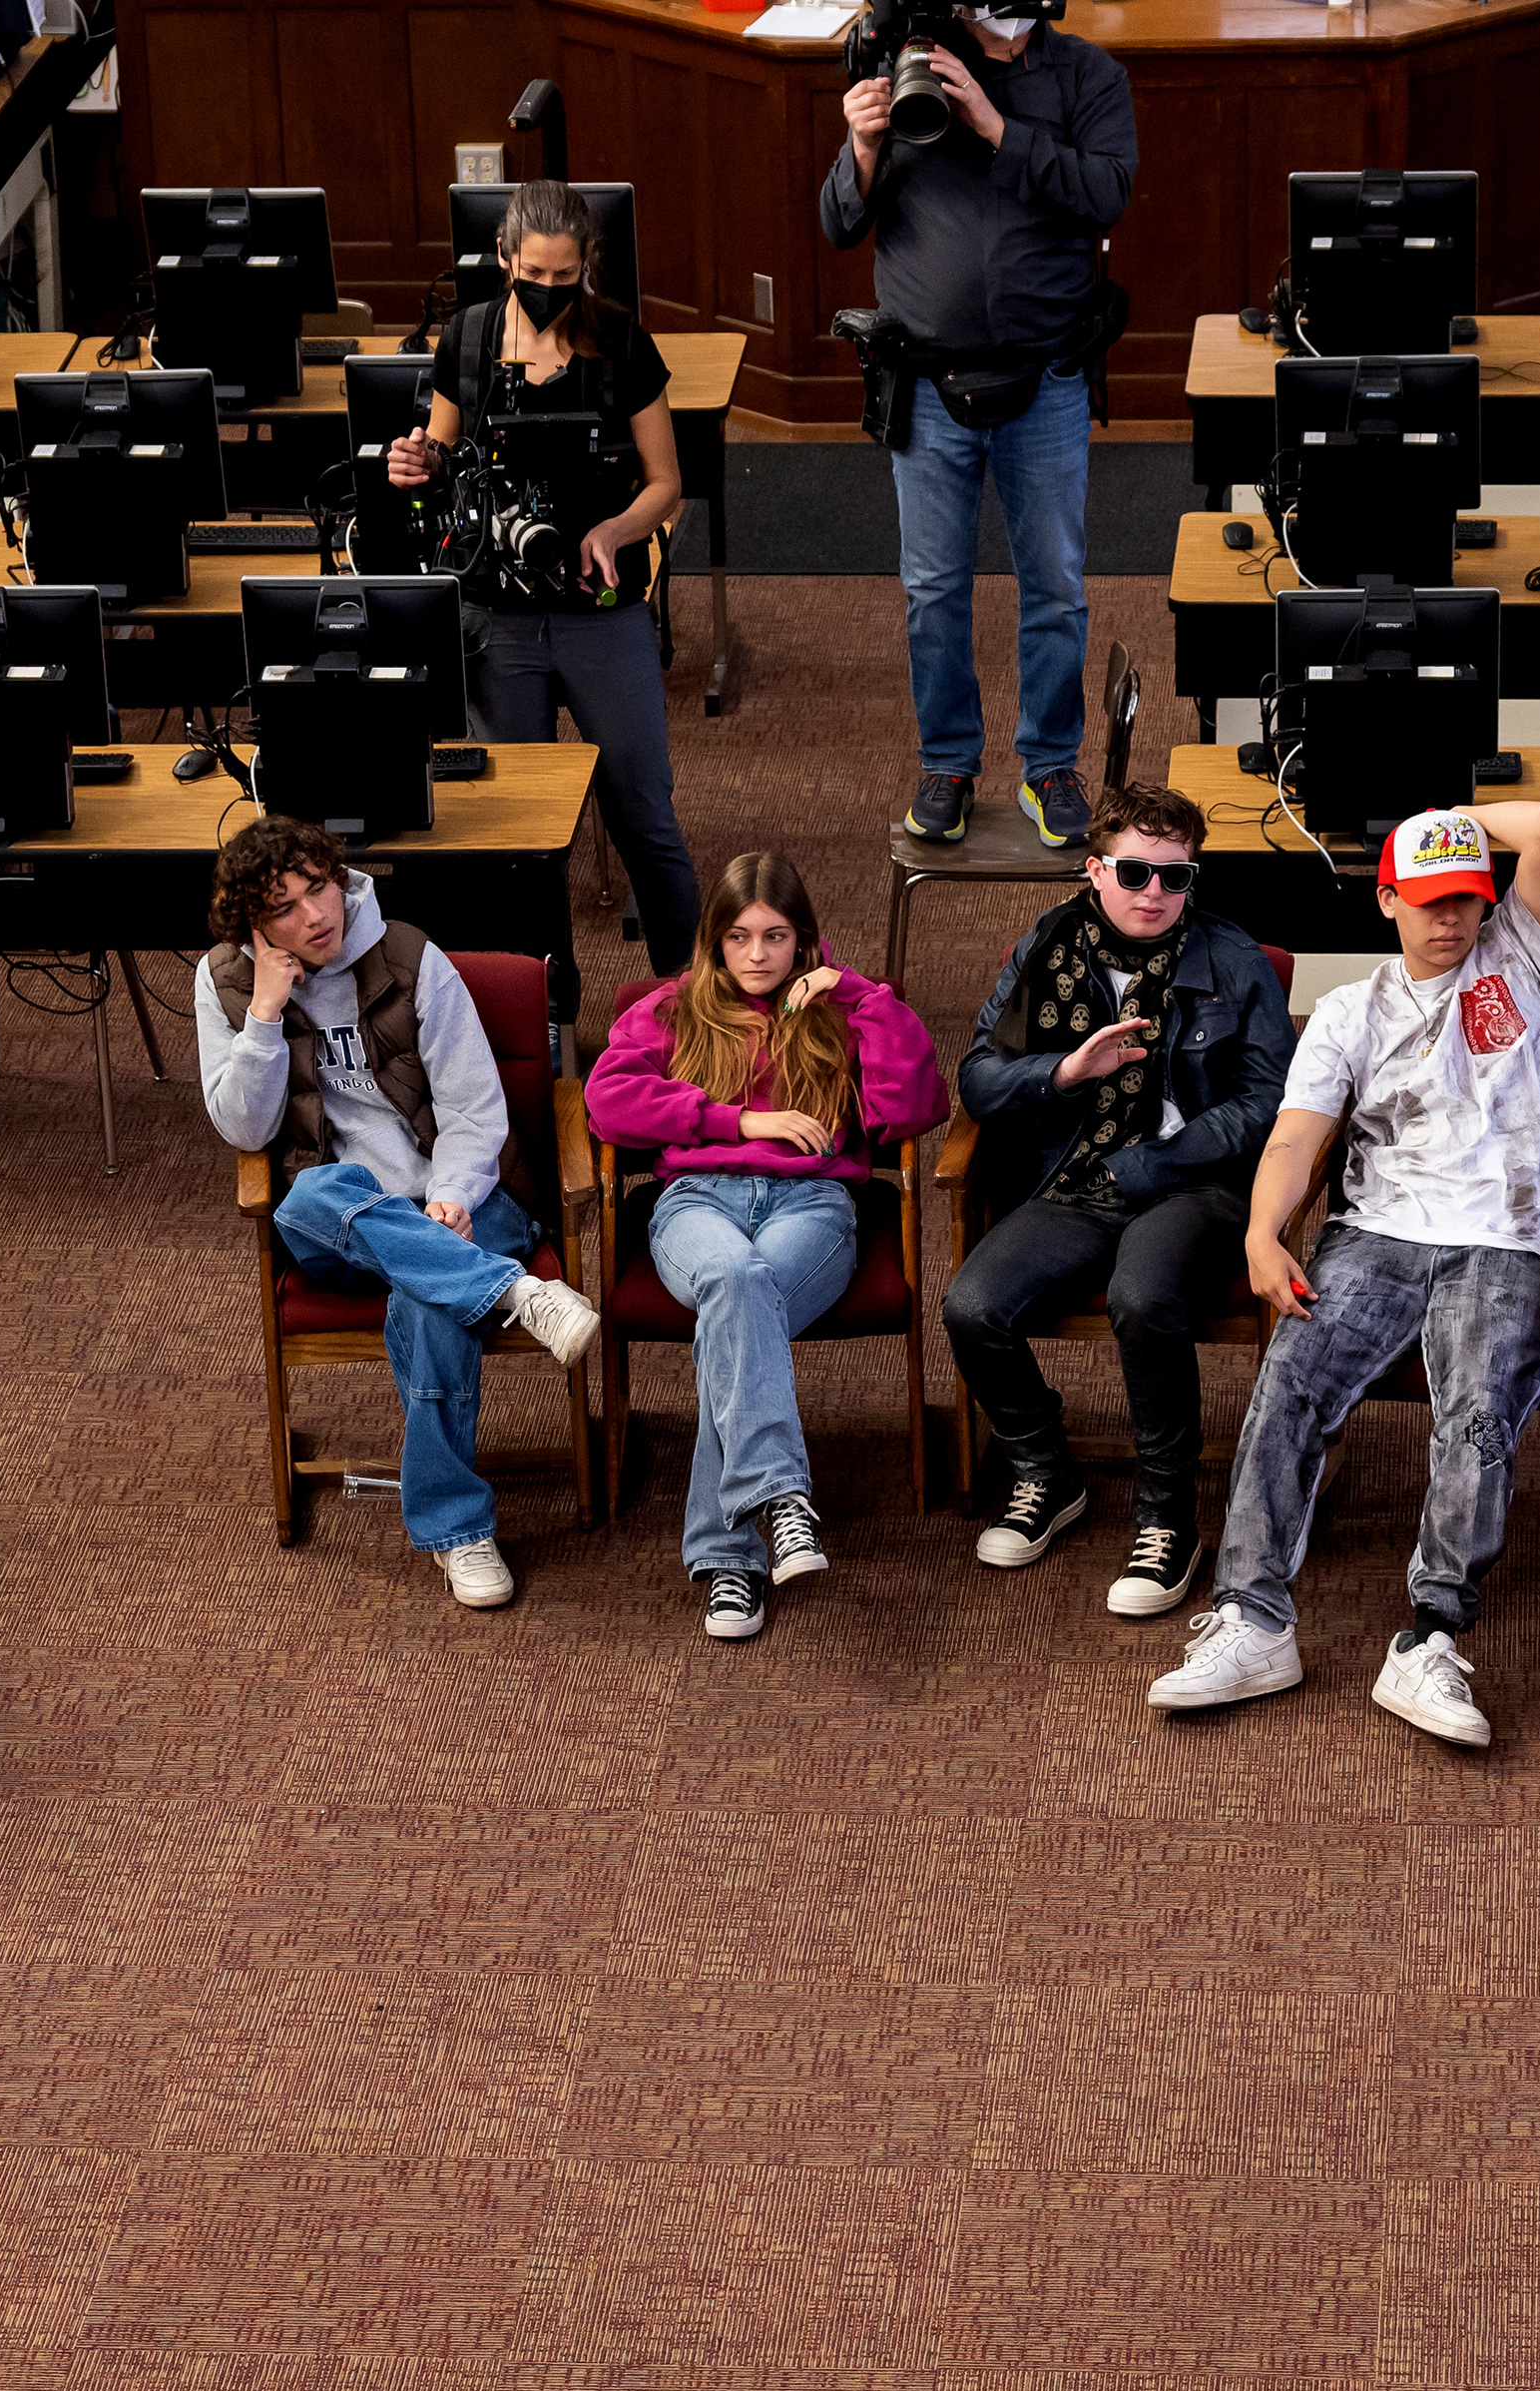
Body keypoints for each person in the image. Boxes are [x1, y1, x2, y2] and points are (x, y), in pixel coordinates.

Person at [1144, 799, 1540, 1753]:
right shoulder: (1352, 1011)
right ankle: (1253, 1623)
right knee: (1289, 1386)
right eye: (1429, 899)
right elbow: (1296, 1137)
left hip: (1515, 1241)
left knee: (1476, 1408)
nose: (1452, 920)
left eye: (1467, 898)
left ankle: (1432, 1637)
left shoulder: (1526, 956)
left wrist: (1448, 817)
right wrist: (1265, 1234)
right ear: (1387, 898)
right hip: (1378, 1234)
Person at [190, 818, 605, 1611]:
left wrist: (449, 1197)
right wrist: (267, 1016)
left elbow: (477, 1113)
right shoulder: (226, 984)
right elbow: (243, 1130)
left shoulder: (413, 958)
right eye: (285, 906)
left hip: (466, 1200)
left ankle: (458, 1533)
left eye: (320, 886)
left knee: (428, 1296)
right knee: (311, 1194)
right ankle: (515, 1293)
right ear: (253, 924)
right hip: (338, 1222)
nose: (316, 913)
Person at [935, 779, 1294, 1611]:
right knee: (971, 1307)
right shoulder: (1048, 945)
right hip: (1076, 1175)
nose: (1157, 894)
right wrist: (1064, 1072)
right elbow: (980, 1081)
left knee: (1143, 1296)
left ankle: (1169, 1518)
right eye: (1136, 875)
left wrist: (1157, 1159)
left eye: (1177, 877)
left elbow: (1265, 1105)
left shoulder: (1234, 962)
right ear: (1095, 872)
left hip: (1191, 1184)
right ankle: (1046, 1474)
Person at [581, 850, 944, 1637]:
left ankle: (727, 1561)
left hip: (813, 1202)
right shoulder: (673, 1009)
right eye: (739, 937)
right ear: (714, 941)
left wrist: (861, 996)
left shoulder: (844, 1009)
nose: (756, 956)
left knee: (738, 1300)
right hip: (694, 1202)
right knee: (737, 1280)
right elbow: (607, 1102)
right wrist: (739, 1120)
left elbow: (914, 1108)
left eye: (775, 937)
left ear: (804, 940)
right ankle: (782, 1500)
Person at [820, 0, 1135, 846]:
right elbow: (838, 221)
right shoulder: (910, 62)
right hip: (925, 384)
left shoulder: (1087, 76)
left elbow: (1108, 193)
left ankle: (1049, 767)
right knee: (932, 591)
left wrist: (997, 126)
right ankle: (948, 763)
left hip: (1048, 378)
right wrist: (863, 141)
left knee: (1057, 588)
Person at [381, 182, 695, 980]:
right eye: (534, 275)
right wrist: (414, 464)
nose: (549, 292)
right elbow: (441, 466)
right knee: (519, 834)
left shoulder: (622, 343)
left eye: (565, 278)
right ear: (503, 259)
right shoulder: (468, 337)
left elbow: (667, 484)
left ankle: (692, 1002)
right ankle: (548, 1006)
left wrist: (616, 529)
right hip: (498, 618)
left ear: (587, 265)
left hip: (602, 611)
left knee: (642, 814)